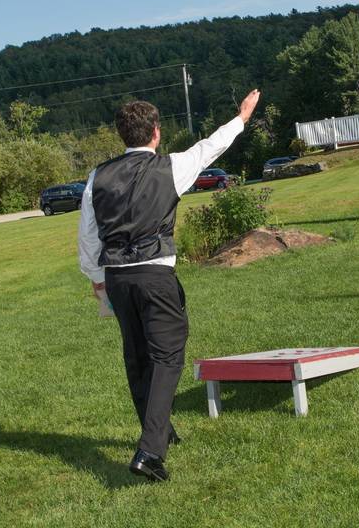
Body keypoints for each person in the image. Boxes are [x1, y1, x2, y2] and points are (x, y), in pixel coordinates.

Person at [78, 89, 261, 482]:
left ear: (122, 134)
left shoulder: (98, 175)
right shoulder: (172, 167)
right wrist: (242, 118)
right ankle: (150, 451)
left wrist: (96, 280)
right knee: (167, 357)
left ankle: (160, 429)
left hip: (117, 278)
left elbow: (88, 236)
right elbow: (211, 147)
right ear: (156, 132)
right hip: (154, 275)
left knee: (138, 356)